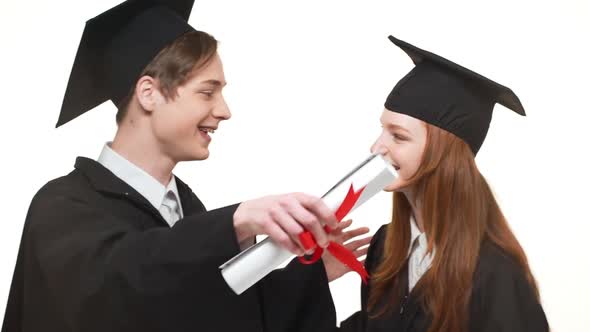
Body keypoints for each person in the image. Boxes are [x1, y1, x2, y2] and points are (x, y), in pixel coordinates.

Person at [1, 1, 367, 331]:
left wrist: (310, 276)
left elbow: (209, 311)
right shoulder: (64, 206)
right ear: (149, 93)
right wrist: (236, 220)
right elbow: (118, 290)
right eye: (207, 92)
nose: (224, 111)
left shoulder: (186, 212)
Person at [326, 35, 550, 331]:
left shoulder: (495, 274)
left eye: (399, 136)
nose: (376, 147)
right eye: (383, 130)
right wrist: (314, 275)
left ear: (445, 156)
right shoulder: (386, 249)